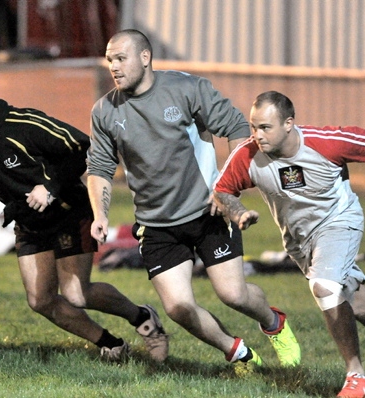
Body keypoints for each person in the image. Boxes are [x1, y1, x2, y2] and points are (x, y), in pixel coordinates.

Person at [86, 29, 301, 372]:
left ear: (145, 57)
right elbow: (99, 167)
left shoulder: (186, 89)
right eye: (110, 60)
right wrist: (101, 214)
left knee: (234, 295)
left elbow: (235, 129)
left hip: (207, 212)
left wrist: (227, 189)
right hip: (156, 224)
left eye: (120, 58)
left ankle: (273, 323)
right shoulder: (105, 111)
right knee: (178, 308)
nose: (113, 66)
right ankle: (237, 352)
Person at [0, 67, 168, 362]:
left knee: (77, 293)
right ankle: (110, 343)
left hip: (69, 211)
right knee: (40, 300)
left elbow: (82, 147)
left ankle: (143, 318)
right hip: (29, 222)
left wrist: (49, 186)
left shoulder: (24, 124)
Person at [213, 90, 365, 397]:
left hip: (339, 223)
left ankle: (356, 375)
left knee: (324, 286)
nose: (257, 135)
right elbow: (222, 190)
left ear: (288, 124)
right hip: (298, 242)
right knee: (358, 304)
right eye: (254, 126)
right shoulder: (248, 155)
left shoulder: (325, 142)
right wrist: (239, 212)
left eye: (265, 127)